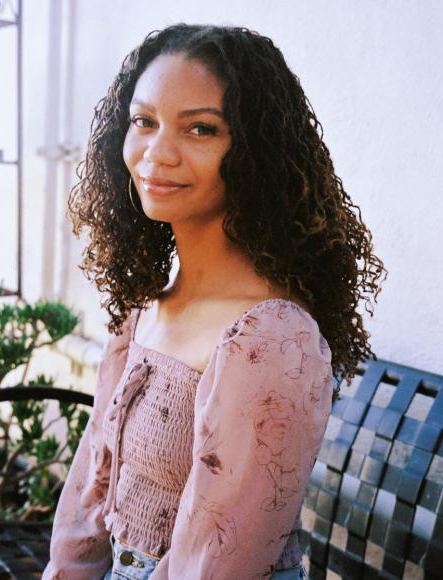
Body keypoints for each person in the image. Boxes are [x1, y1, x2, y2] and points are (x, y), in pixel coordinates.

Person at [42, 24, 386, 580]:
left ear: (255, 152)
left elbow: (214, 565)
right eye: (143, 122)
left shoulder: (269, 337)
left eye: (201, 128)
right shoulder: (144, 310)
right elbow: (88, 495)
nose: (158, 154)